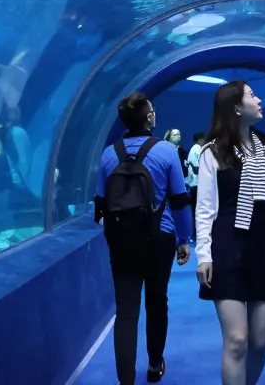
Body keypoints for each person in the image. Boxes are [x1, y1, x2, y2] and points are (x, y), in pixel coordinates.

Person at [195, 82, 265, 385]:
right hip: (227, 247)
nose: (260, 99)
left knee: (259, 342)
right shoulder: (212, 152)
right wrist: (204, 255)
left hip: (264, 248)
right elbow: (205, 209)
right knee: (237, 340)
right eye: (252, 95)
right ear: (237, 107)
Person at [94, 93, 192, 384]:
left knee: (125, 311)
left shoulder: (109, 154)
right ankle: (154, 364)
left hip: (122, 239)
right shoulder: (166, 151)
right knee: (156, 301)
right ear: (149, 117)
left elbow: (100, 202)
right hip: (158, 238)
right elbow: (179, 200)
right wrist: (184, 239)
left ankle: (125, 379)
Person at [185, 131, 206, 239]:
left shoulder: (196, 149)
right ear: (200, 139)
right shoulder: (196, 149)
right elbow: (197, 167)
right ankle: (196, 234)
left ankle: (196, 234)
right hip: (197, 184)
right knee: (197, 210)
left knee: (196, 210)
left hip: (196, 185)